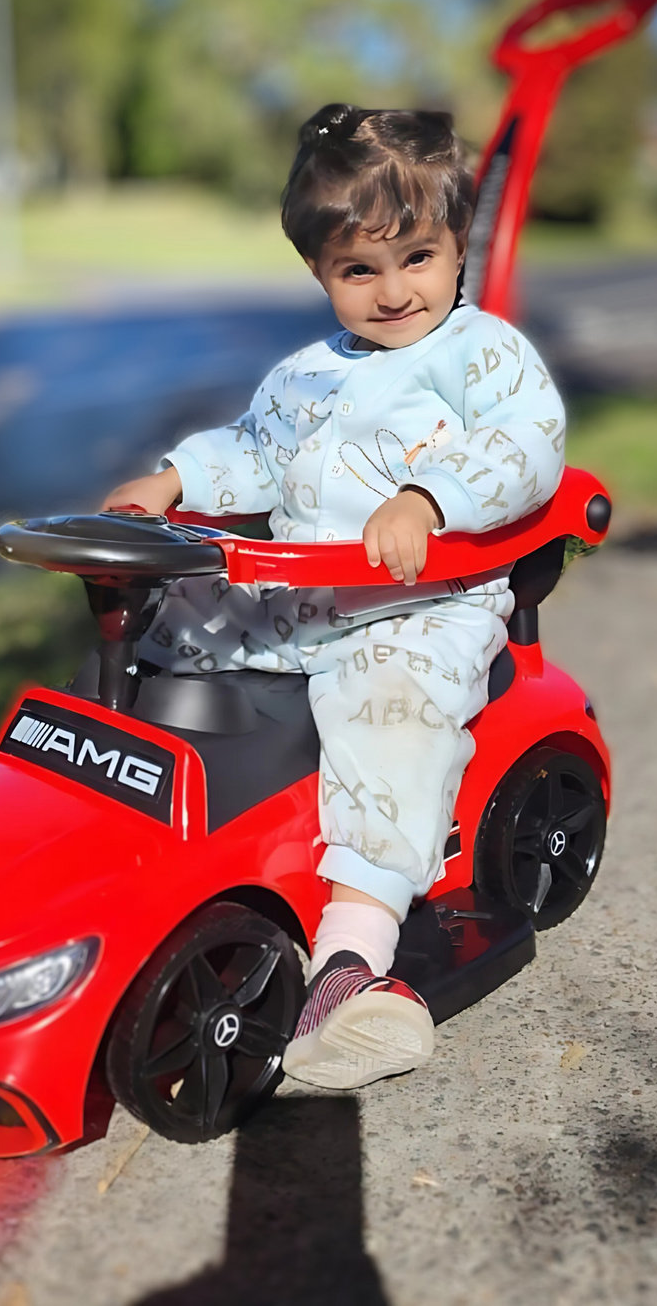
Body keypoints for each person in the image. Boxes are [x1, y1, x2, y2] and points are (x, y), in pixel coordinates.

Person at [104, 104, 567, 1089]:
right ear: (322, 273)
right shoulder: (303, 376)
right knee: (162, 616)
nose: (394, 291)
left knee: (388, 708)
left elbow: (527, 446)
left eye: (418, 259)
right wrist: (179, 480)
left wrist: (428, 496)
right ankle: (128, 824)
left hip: (421, 608)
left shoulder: (481, 357)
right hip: (304, 594)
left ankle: (350, 964)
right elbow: (257, 457)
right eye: (361, 270)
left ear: (456, 254)